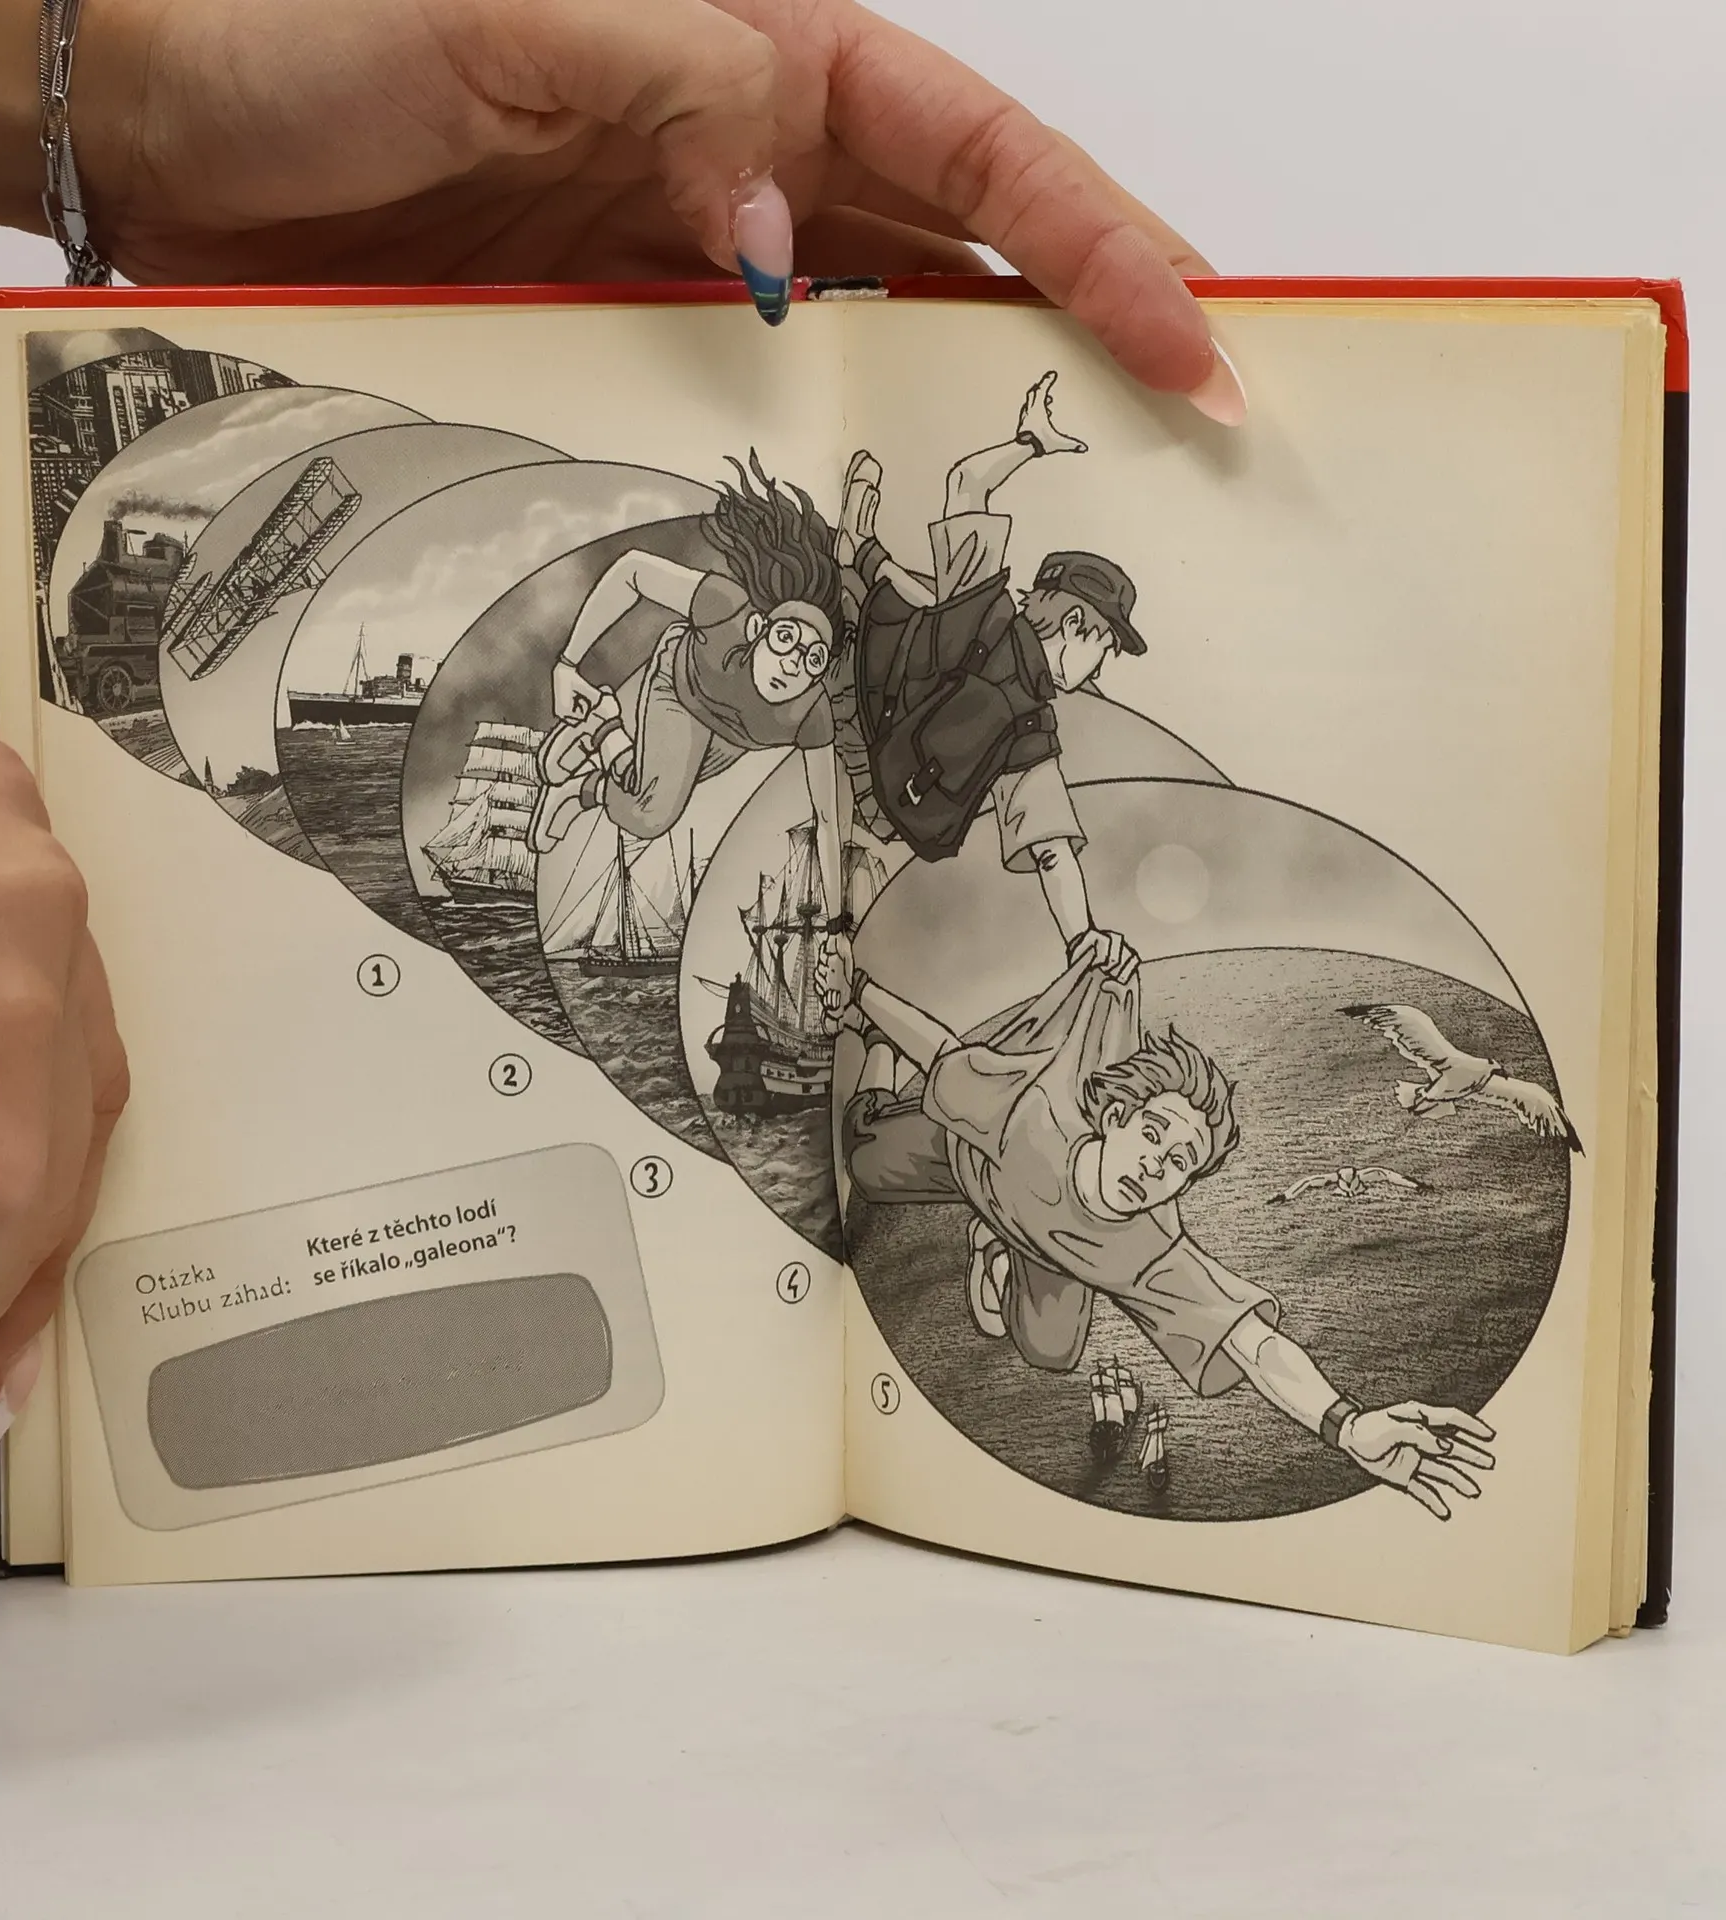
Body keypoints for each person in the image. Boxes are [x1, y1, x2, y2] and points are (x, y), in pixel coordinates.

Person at [0, 0, 1241, 1472]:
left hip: (761, 794)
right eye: (1084, 632)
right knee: (637, 840)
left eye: (1095, 648)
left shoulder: (940, 708)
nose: (1082, 656)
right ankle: (610, 839)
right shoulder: (800, 624)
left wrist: (137, 106)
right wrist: (591, 682)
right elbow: (720, 587)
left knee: (690, 868)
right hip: (669, 733)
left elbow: (998, 811)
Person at [824, 947, 1497, 1519]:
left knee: (1049, 1352)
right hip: (968, 1158)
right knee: (863, 1161)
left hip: (1040, 1247)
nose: (1156, 1165)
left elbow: (1255, 1344)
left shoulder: (1151, 1252)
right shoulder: (1032, 1120)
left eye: (1180, 1162)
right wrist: (859, 991)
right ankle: (876, 1069)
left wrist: (1348, 1426)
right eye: (1153, 1135)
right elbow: (942, 1051)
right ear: (1115, 1118)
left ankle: (993, 1247)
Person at [835, 371, 1142, 968]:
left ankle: (861, 551)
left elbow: (966, 482)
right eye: (1105, 645)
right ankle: (860, 551)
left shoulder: (987, 601)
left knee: (935, 601)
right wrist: (1082, 938)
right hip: (889, 802)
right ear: (1076, 624)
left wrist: (1029, 444)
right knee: (931, 601)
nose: (1102, 666)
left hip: (864, 705)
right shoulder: (1032, 727)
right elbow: (1052, 850)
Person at [529, 456, 852, 954]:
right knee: (652, 815)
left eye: (812, 659)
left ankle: (597, 735)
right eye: (786, 638)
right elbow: (632, 571)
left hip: (732, 738)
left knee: (648, 787)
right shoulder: (725, 607)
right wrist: (568, 664)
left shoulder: (812, 713)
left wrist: (836, 926)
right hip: (680, 686)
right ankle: (584, 776)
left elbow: (827, 817)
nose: (792, 664)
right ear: (758, 629)